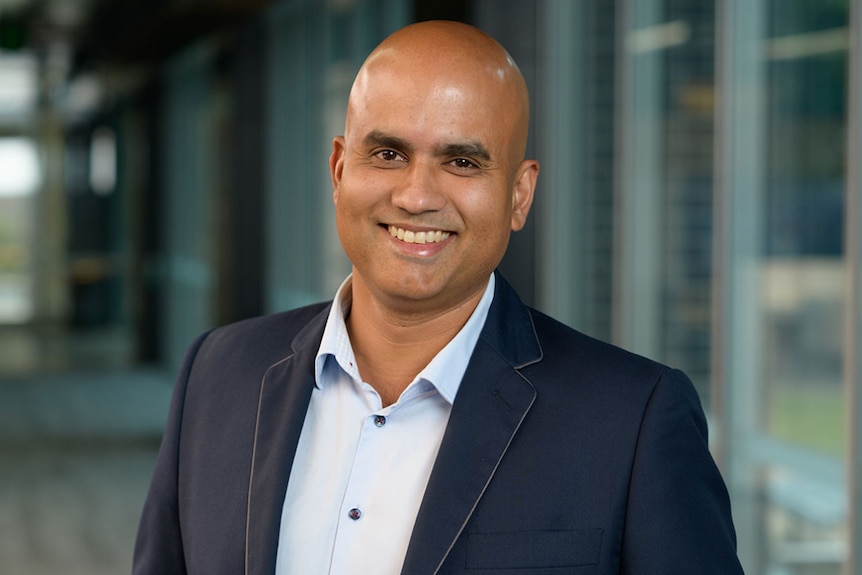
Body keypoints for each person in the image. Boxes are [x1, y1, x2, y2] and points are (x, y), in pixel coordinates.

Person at [133, 20, 743, 575]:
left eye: (462, 161)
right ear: (340, 170)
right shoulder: (217, 374)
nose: (417, 195)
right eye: (389, 153)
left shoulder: (633, 420)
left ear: (519, 194)